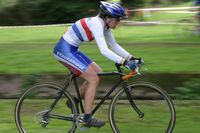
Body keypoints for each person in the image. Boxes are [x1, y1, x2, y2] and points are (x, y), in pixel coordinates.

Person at [53, 1, 140, 128]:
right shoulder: (96, 24)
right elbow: (104, 51)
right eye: (118, 19)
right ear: (108, 17)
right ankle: (87, 118)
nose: (119, 22)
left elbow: (113, 45)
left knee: (98, 71)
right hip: (63, 50)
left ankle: (74, 101)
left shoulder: (105, 26)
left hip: (73, 50)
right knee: (93, 78)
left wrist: (132, 58)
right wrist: (125, 62)